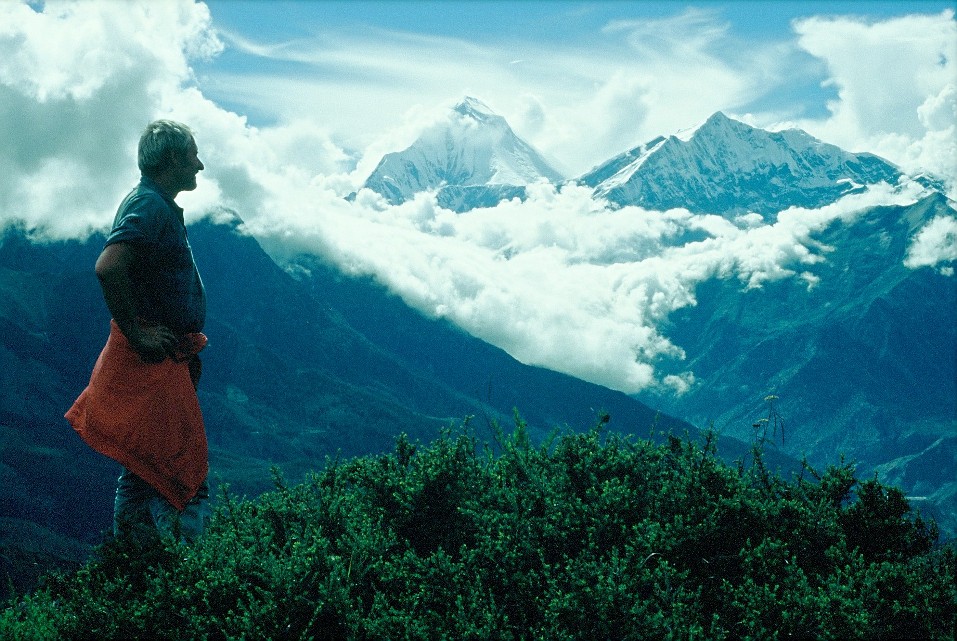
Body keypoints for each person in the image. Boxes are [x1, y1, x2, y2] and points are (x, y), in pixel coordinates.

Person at [66, 119, 210, 544]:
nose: (199, 165)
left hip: (162, 358)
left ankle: (130, 564)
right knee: (181, 470)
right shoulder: (149, 206)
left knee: (145, 468)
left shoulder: (154, 203)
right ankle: (193, 574)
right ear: (170, 161)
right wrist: (138, 332)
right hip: (152, 360)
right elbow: (109, 267)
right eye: (192, 156)